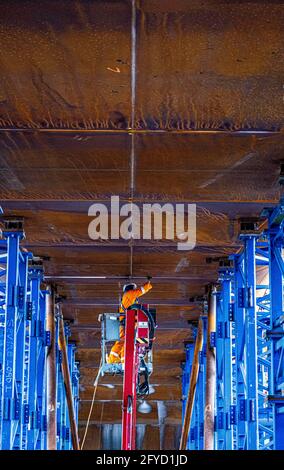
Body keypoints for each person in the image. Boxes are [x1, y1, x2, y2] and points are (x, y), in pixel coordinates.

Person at [107, 277, 153, 364]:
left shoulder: (127, 299)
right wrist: (148, 284)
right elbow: (141, 291)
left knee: (121, 342)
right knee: (126, 342)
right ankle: (124, 361)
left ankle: (113, 359)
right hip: (127, 324)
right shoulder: (129, 294)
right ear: (131, 290)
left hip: (125, 323)